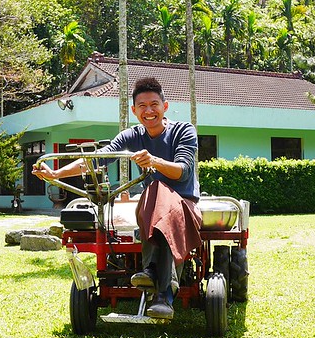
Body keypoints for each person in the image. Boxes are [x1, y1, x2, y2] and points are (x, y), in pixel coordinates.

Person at [32, 77, 202, 319]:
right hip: (152, 207)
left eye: (154, 104)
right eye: (142, 106)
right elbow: (98, 159)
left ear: (165, 106)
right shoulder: (131, 136)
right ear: (134, 110)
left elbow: (183, 170)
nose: (149, 111)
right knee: (154, 194)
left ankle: (157, 280)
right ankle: (161, 292)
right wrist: (57, 173)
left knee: (157, 190)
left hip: (184, 205)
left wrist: (154, 161)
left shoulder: (183, 131)